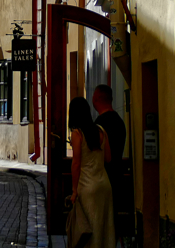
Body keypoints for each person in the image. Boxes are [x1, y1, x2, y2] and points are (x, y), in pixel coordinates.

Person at [68, 96, 115, 248]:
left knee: (89, 229)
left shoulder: (77, 134)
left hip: (87, 187)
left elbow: (76, 164)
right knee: (104, 228)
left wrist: (74, 191)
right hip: (104, 185)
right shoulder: (101, 130)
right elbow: (108, 158)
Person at [93, 84, 127, 241]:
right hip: (117, 176)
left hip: (101, 179)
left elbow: (100, 155)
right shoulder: (119, 122)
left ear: (98, 98)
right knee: (111, 221)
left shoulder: (100, 124)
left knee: (101, 222)